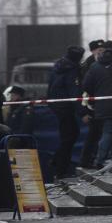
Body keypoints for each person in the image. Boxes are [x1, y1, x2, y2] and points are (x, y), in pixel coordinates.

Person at [46, 45, 85, 177]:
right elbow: (74, 92)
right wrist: (82, 112)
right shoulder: (72, 70)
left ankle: (58, 162)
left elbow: (50, 85)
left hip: (56, 105)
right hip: (66, 107)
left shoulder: (58, 66)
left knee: (68, 135)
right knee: (70, 136)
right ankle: (60, 168)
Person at [78, 40, 106, 169]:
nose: (101, 52)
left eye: (102, 50)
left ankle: (93, 159)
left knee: (98, 133)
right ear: (93, 51)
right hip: (89, 105)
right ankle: (86, 160)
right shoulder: (87, 66)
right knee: (93, 134)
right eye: (98, 50)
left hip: (100, 104)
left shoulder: (104, 63)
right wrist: (83, 111)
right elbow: (82, 90)